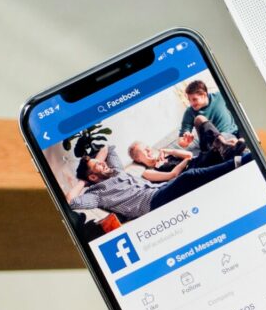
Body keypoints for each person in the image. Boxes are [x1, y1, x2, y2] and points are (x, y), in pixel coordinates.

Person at [66, 145, 253, 220]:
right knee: (189, 177)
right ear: (91, 177)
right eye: (97, 166)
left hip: (159, 190)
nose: (102, 163)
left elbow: (109, 148)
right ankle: (240, 162)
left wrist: (94, 162)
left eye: (100, 161)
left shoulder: (117, 171)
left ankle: (239, 165)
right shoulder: (96, 194)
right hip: (150, 203)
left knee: (194, 178)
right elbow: (72, 202)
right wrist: (83, 181)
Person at [178, 80, 237, 148]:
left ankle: (228, 145)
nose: (191, 103)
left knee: (237, 140)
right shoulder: (189, 112)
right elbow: (181, 142)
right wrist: (186, 141)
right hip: (210, 144)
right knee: (199, 118)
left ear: (204, 95)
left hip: (232, 134)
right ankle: (222, 145)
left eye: (194, 99)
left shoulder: (220, 97)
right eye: (189, 100)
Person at [127, 144, 193, 183]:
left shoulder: (167, 156)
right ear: (138, 159)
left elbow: (189, 154)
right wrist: (187, 159)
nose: (149, 150)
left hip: (195, 164)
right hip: (188, 177)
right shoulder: (148, 173)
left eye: (148, 147)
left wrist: (164, 150)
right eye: (144, 149)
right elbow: (172, 175)